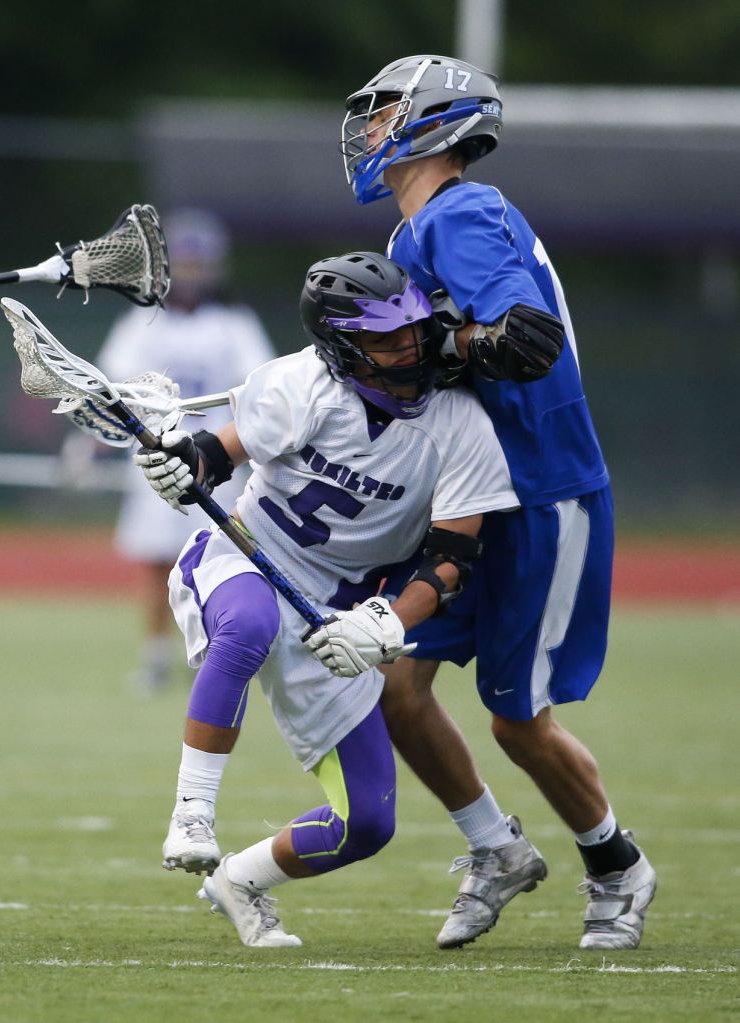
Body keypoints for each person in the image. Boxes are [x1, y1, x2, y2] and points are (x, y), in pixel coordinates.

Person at [332, 54, 656, 951]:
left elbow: (524, 337)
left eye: (383, 110)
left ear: (431, 120)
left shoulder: (460, 212)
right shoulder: (416, 234)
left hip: (540, 491)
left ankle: (616, 864)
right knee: (394, 683)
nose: (365, 128)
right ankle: (495, 849)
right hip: (471, 489)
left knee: (516, 720)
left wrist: (437, 340)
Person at [133, 251, 537, 947]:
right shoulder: (305, 383)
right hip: (244, 554)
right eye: (384, 337)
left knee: (368, 822)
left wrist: (386, 622)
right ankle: (192, 811)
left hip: (335, 614)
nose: (407, 347)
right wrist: (179, 465)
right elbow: (217, 455)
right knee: (251, 622)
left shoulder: (460, 424)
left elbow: (450, 562)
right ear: (341, 346)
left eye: (411, 329)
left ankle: (238, 878)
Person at [95, 207, 275, 691]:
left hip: (216, 458)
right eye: (186, 264)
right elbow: (115, 384)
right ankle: (156, 655)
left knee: (228, 552)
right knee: (156, 558)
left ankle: (227, 654)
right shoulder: (145, 321)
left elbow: (261, 388)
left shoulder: (234, 323)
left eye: (200, 265)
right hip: (157, 457)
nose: (193, 275)